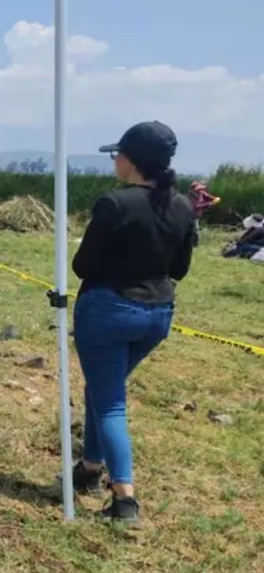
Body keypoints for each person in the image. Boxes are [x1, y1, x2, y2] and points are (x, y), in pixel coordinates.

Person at [72, 121, 195, 524]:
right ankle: (89, 467)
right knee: (103, 386)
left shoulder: (115, 204)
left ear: (131, 161)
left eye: (117, 154)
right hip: (156, 316)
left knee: (109, 402)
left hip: (107, 312)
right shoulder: (182, 206)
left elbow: (83, 265)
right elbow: (180, 267)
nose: (114, 161)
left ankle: (124, 499)